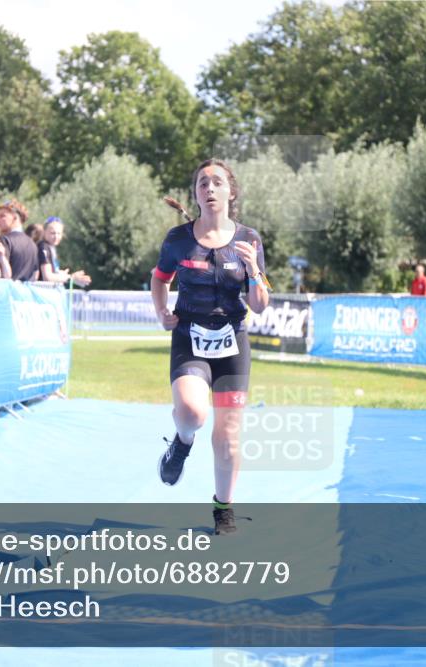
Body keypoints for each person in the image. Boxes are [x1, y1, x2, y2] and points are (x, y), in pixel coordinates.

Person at [151, 159, 269, 535]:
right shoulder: (178, 239)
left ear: (230, 192)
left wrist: (253, 272)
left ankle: (223, 509)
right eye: (203, 182)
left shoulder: (249, 239)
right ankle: (182, 444)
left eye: (217, 182)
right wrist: (160, 310)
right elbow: (159, 279)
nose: (210, 188)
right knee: (191, 413)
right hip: (190, 337)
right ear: (197, 194)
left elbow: (261, 304)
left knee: (228, 435)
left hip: (233, 342)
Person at [37, 217, 90, 286]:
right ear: (44, 232)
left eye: (59, 233)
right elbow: (47, 277)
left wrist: (60, 274)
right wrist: (71, 278)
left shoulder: (51, 248)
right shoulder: (43, 247)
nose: (56, 236)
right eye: (52, 233)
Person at [0, 200, 38, 281]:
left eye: (2, 216)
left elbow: (1, 272)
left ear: (15, 217)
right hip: (27, 292)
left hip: (8, 291)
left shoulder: (5, 240)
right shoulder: (32, 243)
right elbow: (36, 274)